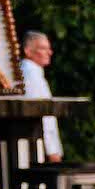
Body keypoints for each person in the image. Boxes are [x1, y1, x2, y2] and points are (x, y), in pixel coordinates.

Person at [17, 31, 62, 160]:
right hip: (36, 145)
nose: (49, 52)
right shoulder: (31, 75)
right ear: (28, 51)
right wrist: (52, 150)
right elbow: (42, 113)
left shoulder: (30, 72)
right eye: (43, 48)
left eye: (49, 48)